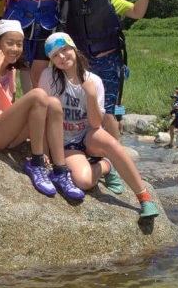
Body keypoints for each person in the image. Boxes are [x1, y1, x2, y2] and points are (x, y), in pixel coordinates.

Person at [39, 33, 159, 218]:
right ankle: (105, 166)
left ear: (74, 49)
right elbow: (44, 116)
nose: (62, 57)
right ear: (51, 60)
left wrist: (92, 96)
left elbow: (95, 123)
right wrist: (45, 150)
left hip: (88, 134)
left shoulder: (94, 80)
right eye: (55, 55)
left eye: (64, 50)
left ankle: (144, 198)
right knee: (83, 181)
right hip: (64, 142)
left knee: (111, 143)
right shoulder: (48, 77)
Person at [0, 19, 84, 200]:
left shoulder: (11, 70)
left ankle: (60, 169)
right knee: (38, 94)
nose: (15, 48)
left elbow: (11, 106)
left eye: (19, 44)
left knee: (53, 103)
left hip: (9, 134)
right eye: (9, 43)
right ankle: (36, 163)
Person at [65, 0, 152, 140]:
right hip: (81, 62)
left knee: (108, 110)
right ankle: (87, 146)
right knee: (81, 106)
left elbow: (137, 12)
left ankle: (114, 156)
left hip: (108, 60)